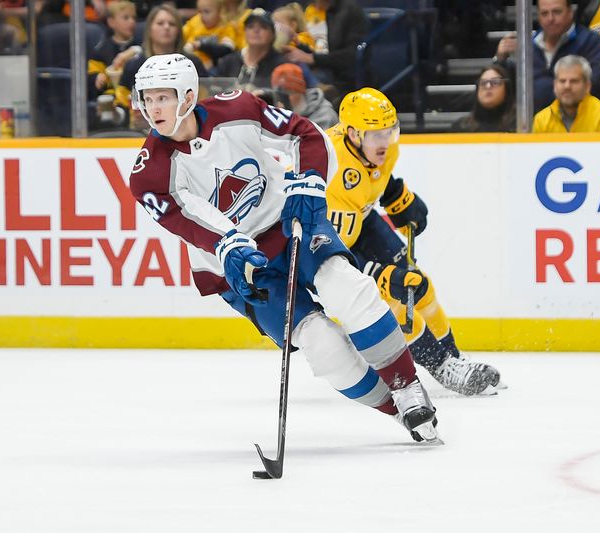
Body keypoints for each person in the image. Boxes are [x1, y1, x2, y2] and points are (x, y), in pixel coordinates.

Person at [127, 53, 442, 444]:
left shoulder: (238, 108)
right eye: (147, 98)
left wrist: (308, 182)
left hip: (289, 224)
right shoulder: (148, 175)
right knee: (320, 343)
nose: (153, 108)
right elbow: (189, 221)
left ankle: (408, 385)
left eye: (163, 97)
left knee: (345, 286)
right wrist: (230, 246)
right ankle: (396, 411)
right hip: (239, 266)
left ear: (188, 96)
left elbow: (306, 134)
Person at [325, 88, 502, 396]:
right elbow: (335, 256)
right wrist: (376, 273)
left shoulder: (378, 149)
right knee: (393, 298)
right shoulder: (337, 174)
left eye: (390, 132)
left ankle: (455, 361)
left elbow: (376, 177)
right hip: (321, 242)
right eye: (376, 134)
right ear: (353, 134)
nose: (386, 142)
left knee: (417, 284)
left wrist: (395, 195)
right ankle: (441, 366)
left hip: (358, 217)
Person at [494, 0, 600, 112]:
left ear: (570, 12)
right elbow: (506, 89)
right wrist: (500, 60)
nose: (550, 18)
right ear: (538, 16)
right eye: (544, 13)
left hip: (582, 124)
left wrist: (545, 91)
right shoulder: (528, 47)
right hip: (536, 126)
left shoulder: (591, 42)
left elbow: (598, 84)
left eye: (557, 12)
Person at [117, 4, 207, 130]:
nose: (166, 27)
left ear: (179, 30)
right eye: (160, 23)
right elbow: (122, 103)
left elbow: (204, 102)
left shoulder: (192, 64)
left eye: (172, 24)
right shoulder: (133, 65)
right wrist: (130, 117)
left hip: (187, 133)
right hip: (138, 135)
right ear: (149, 29)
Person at [286, 0, 367, 100]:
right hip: (322, 67)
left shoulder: (350, 11)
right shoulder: (318, 11)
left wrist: (312, 58)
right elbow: (320, 52)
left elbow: (351, 56)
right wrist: (299, 46)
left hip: (338, 75)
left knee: (293, 81)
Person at [533, 55, 600, 133]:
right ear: (555, 85)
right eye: (562, 81)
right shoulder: (541, 120)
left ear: (587, 86)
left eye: (574, 81)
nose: (567, 86)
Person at [213, 8, 287, 91]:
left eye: (263, 27)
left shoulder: (281, 65)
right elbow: (214, 91)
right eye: (250, 26)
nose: (256, 30)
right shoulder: (228, 61)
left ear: (273, 34)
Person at [270, 62, 338, 129]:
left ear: (299, 92)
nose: (282, 99)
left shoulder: (324, 115)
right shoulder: (275, 112)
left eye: (288, 92)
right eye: (278, 94)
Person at [450, 65, 516, 133]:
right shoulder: (461, 127)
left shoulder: (518, 126)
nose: (488, 86)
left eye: (495, 82)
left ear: (506, 90)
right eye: (483, 83)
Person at [182, 0, 236, 70]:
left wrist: (201, 46)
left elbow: (227, 49)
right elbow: (180, 37)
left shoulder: (226, 26)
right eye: (199, 12)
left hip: (216, 68)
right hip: (193, 65)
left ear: (220, 12)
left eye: (206, 12)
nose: (202, 16)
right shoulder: (194, 23)